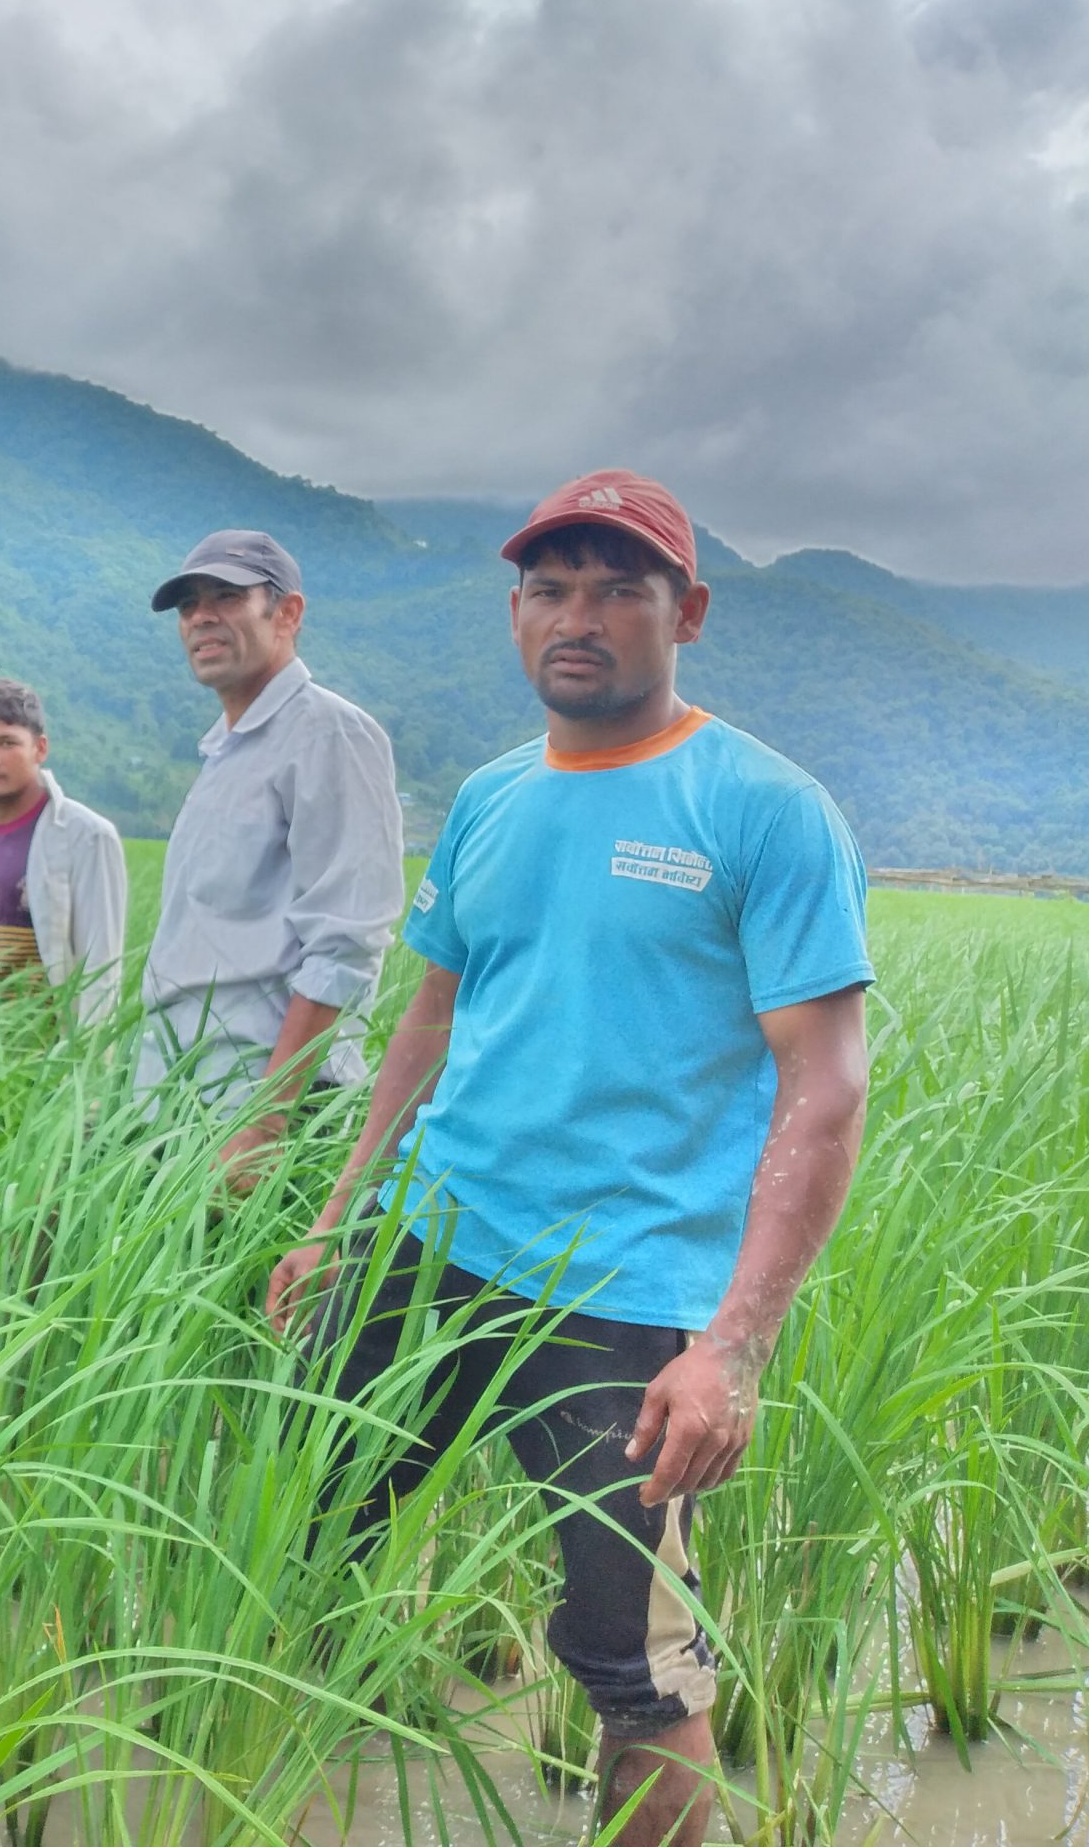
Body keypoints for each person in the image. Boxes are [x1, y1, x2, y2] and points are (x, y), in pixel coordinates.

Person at [267, 471, 872, 1847]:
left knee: (636, 1665)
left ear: (688, 612)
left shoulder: (765, 809)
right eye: (550, 588)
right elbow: (428, 1024)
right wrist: (337, 1214)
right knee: (297, 1538)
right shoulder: (487, 797)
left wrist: (733, 1347)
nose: (577, 616)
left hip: (626, 1293)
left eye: (619, 587)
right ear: (516, 610)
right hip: (424, 1247)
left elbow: (824, 1095)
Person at [137, 530, 405, 1190]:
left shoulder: (328, 734)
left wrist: (266, 1121)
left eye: (227, 596)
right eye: (189, 605)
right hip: (183, 1095)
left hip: (254, 1107)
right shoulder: (228, 749)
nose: (201, 617)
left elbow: (345, 944)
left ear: (287, 614)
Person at [0, 679, 128, 1027]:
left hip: (44, 1052)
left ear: (40, 748)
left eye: (7, 743)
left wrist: (88, 1068)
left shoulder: (86, 836)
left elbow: (101, 970)